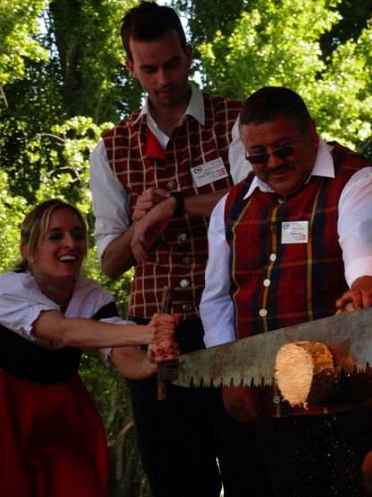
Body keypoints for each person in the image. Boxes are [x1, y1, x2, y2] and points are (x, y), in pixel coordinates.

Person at [89, 3, 266, 496]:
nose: (163, 78)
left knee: (253, 470)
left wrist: (175, 205)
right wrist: (140, 222)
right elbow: (109, 260)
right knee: (177, 483)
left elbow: (256, 207)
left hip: (233, 325)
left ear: (189, 55)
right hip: (155, 339)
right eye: (149, 68)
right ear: (130, 67)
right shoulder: (111, 147)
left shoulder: (236, 120)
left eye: (171, 63)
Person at [200, 86, 372, 496]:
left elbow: (365, 246)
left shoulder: (358, 181)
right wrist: (228, 373)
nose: (272, 163)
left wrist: (365, 282)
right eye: (257, 156)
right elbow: (218, 297)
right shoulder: (230, 207)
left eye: (283, 149)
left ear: (311, 132)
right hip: (272, 405)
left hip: (352, 399)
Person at [0, 199, 178, 497]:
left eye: (78, 235)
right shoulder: (9, 288)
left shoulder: (91, 296)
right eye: (56, 236)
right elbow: (62, 330)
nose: (71, 244)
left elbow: (124, 357)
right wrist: (147, 332)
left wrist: (151, 361)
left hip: (55, 413)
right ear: (28, 251)